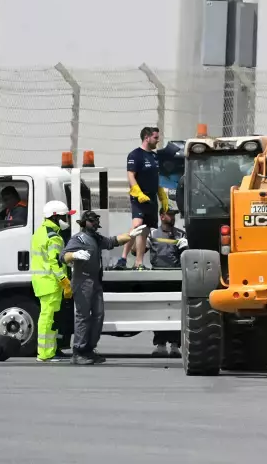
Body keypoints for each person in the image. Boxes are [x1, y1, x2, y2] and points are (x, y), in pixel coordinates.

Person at [61, 210, 145, 365]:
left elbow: (113, 241)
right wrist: (74, 255)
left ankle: (89, 349)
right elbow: (64, 256)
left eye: (96, 221)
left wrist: (131, 235)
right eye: (92, 221)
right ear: (84, 222)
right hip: (82, 281)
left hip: (95, 281)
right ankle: (78, 351)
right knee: (83, 316)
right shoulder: (78, 238)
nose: (95, 223)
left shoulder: (96, 238)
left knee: (98, 315)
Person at [113, 126, 169, 270]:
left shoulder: (155, 157)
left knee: (145, 230)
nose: (158, 140)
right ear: (147, 137)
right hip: (139, 197)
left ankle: (139, 262)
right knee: (137, 225)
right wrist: (137, 192)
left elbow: (157, 178)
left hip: (151, 198)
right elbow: (131, 175)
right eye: (156, 138)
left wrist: (162, 196)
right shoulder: (135, 155)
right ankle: (123, 258)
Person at [31, 201, 75, 362]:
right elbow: (54, 263)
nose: (66, 220)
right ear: (55, 217)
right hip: (51, 283)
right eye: (64, 216)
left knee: (47, 317)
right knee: (48, 318)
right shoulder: (54, 237)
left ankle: (48, 351)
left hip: (41, 282)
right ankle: (45, 354)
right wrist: (65, 281)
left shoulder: (40, 232)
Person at [149, 208, 187, 357]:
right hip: (157, 276)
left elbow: (185, 255)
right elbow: (136, 252)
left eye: (173, 215)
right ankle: (160, 345)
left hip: (175, 276)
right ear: (161, 216)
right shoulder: (152, 234)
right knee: (159, 312)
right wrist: (140, 238)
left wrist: (185, 247)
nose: (172, 217)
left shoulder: (181, 234)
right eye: (170, 214)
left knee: (177, 313)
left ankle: (175, 345)